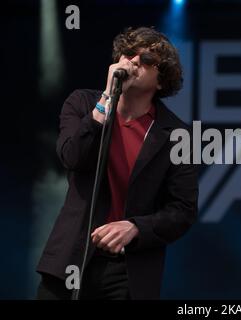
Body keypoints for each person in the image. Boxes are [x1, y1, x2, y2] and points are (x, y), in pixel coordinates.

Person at [36, 26, 198, 300]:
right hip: (71, 257)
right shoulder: (82, 103)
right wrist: (106, 101)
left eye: (146, 60)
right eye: (128, 54)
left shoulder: (177, 135)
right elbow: (72, 156)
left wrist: (136, 227)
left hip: (127, 269)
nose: (133, 61)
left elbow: (183, 210)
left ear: (161, 81)